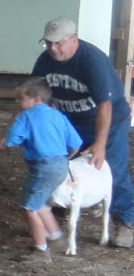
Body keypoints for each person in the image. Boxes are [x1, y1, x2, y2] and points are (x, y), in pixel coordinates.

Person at [31, 16, 134, 246]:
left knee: (111, 168)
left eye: (58, 43)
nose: (53, 48)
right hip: (71, 120)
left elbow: (105, 105)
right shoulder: (44, 62)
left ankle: (125, 221)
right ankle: (58, 207)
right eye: (48, 43)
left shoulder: (92, 60)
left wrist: (99, 144)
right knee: (59, 164)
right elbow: (37, 96)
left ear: (74, 39)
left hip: (110, 120)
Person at [1, 77, 82, 257]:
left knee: (30, 208)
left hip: (42, 167)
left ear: (36, 99)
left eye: (21, 98)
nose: (18, 102)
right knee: (41, 203)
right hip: (61, 165)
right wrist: (65, 157)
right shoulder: (58, 115)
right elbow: (76, 142)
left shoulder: (27, 116)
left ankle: (41, 249)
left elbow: (13, 136)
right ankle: (56, 236)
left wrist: (6, 143)